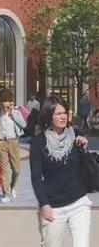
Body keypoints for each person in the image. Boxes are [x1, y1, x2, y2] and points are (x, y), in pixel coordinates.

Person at [30, 95, 91, 247]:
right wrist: (44, 204)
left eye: (64, 112)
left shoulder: (75, 136)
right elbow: (36, 177)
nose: (63, 116)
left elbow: (85, 168)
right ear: (49, 116)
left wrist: (84, 148)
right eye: (58, 113)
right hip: (53, 207)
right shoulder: (39, 142)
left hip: (79, 203)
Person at [0, 89, 26, 203]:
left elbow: (24, 125)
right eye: (3, 103)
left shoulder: (16, 113)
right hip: (1, 142)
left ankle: (13, 186)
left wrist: (13, 115)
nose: (5, 106)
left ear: (11, 102)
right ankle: (6, 194)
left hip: (13, 141)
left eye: (7, 102)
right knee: (4, 170)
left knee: (17, 169)